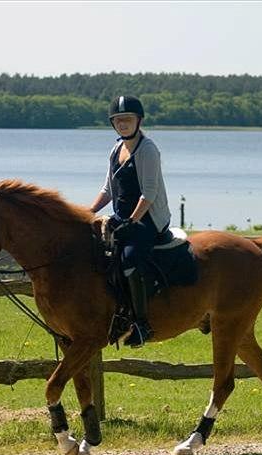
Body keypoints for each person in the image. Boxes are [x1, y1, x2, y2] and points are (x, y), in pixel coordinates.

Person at [89, 95, 171, 347]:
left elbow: (149, 193)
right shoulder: (116, 149)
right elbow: (108, 189)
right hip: (123, 217)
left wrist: (132, 221)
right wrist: (88, 212)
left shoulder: (147, 149)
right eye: (118, 120)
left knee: (129, 260)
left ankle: (142, 324)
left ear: (139, 120)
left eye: (128, 119)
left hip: (148, 220)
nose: (123, 124)